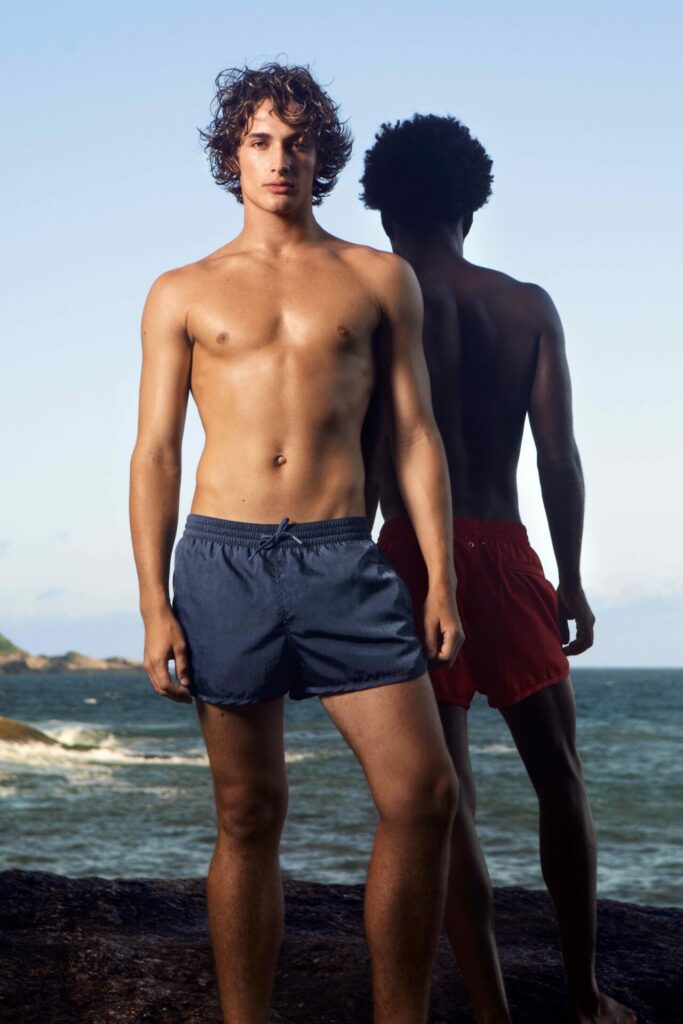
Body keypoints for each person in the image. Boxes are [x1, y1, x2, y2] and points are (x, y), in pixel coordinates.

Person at [129, 66, 464, 1024]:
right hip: (223, 559)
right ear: (231, 156)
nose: (281, 160)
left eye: (299, 142)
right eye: (262, 142)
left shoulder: (376, 277)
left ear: (323, 156)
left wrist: (440, 577)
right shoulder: (180, 291)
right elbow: (155, 452)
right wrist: (154, 602)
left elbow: (413, 434)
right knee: (247, 814)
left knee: (423, 794)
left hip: (339, 558)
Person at [361, 114, 636, 1024]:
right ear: (470, 203)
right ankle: (585, 994)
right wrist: (572, 577)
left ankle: (489, 1007)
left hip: (409, 554)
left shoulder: (379, 301)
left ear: (383, 204)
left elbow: (367, 455)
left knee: (447, 797)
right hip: (508, 549)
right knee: (559, 776)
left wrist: (351, 566)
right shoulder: (525, 305)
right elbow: (558, 459)